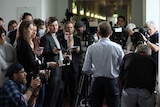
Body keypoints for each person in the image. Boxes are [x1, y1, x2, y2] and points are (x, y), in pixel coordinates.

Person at [16, 20, 58, 107]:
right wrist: (48, 64)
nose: (33, 32)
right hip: (28, 78)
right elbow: (33, 64)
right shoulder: (23, 45)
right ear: (25, 30)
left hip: (32, 76)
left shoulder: (26, 44)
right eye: (31, 29)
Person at [82, 21, 124, 107]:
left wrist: (93, 72)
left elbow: (86, 68)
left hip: (96, 80)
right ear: (111, 33)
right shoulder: (117, 47)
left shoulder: (91, 48)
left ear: (98, 33)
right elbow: (122, 65)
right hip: (112, 80)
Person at [40, 16, 64, 107]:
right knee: (51, 98)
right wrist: (53, 52)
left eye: (56, 25)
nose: (55, 27)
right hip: (52, 70)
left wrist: (63, 54)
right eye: (53, 25)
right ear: (48, 26)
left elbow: (59, 51)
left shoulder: (56, 36)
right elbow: (44, 54)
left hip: (59, 68)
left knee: (58, 97)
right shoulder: (45, 38)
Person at [59, 21, 81, 107]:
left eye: (71, 27)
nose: (69, 29)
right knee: (62, 88)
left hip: (74, 66)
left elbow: (80, 52)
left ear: (73, 28)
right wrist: (65, 39)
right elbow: (60, 49)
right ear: (65, 28)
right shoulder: (60, 38)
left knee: (74, 88)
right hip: (63, 65)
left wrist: (78, 51)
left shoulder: (77, 39)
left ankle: (73, 104)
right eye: (68, 27)